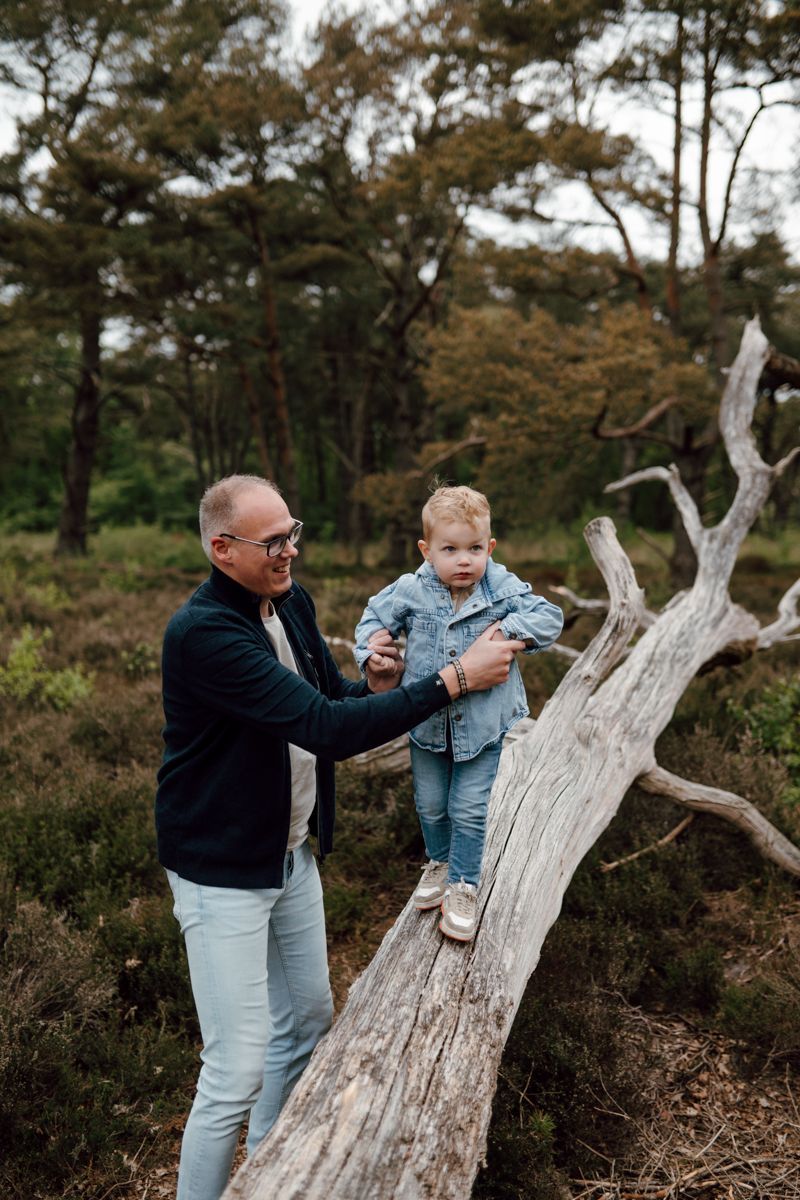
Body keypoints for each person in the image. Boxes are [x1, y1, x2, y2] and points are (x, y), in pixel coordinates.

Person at [155, 474, 524, 1200]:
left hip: (287, 855)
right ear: (222, 549)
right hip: (220, 870)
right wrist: (455, 678)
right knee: (235, 1066)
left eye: (294, 531)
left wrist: (381, 686)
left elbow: (330, 702)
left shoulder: (287, 603)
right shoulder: (204, 634)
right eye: (274, 541)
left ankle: (267, 1166)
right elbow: (324, 730)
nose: (291, 550)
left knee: (308, 1021)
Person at [354, 484, 564, 943]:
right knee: (430, 803)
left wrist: (506, 631)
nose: (463, 560)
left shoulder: (500, 586)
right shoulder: (412, 589)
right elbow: (373, 617)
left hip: (483, 727)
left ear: (489, 547)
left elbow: (549, 617)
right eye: (450, 549)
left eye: (474, 549)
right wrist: (372, 649)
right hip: (427, 725)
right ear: (427, 551)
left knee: (467, 808)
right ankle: (440, 860)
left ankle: (464, 883)